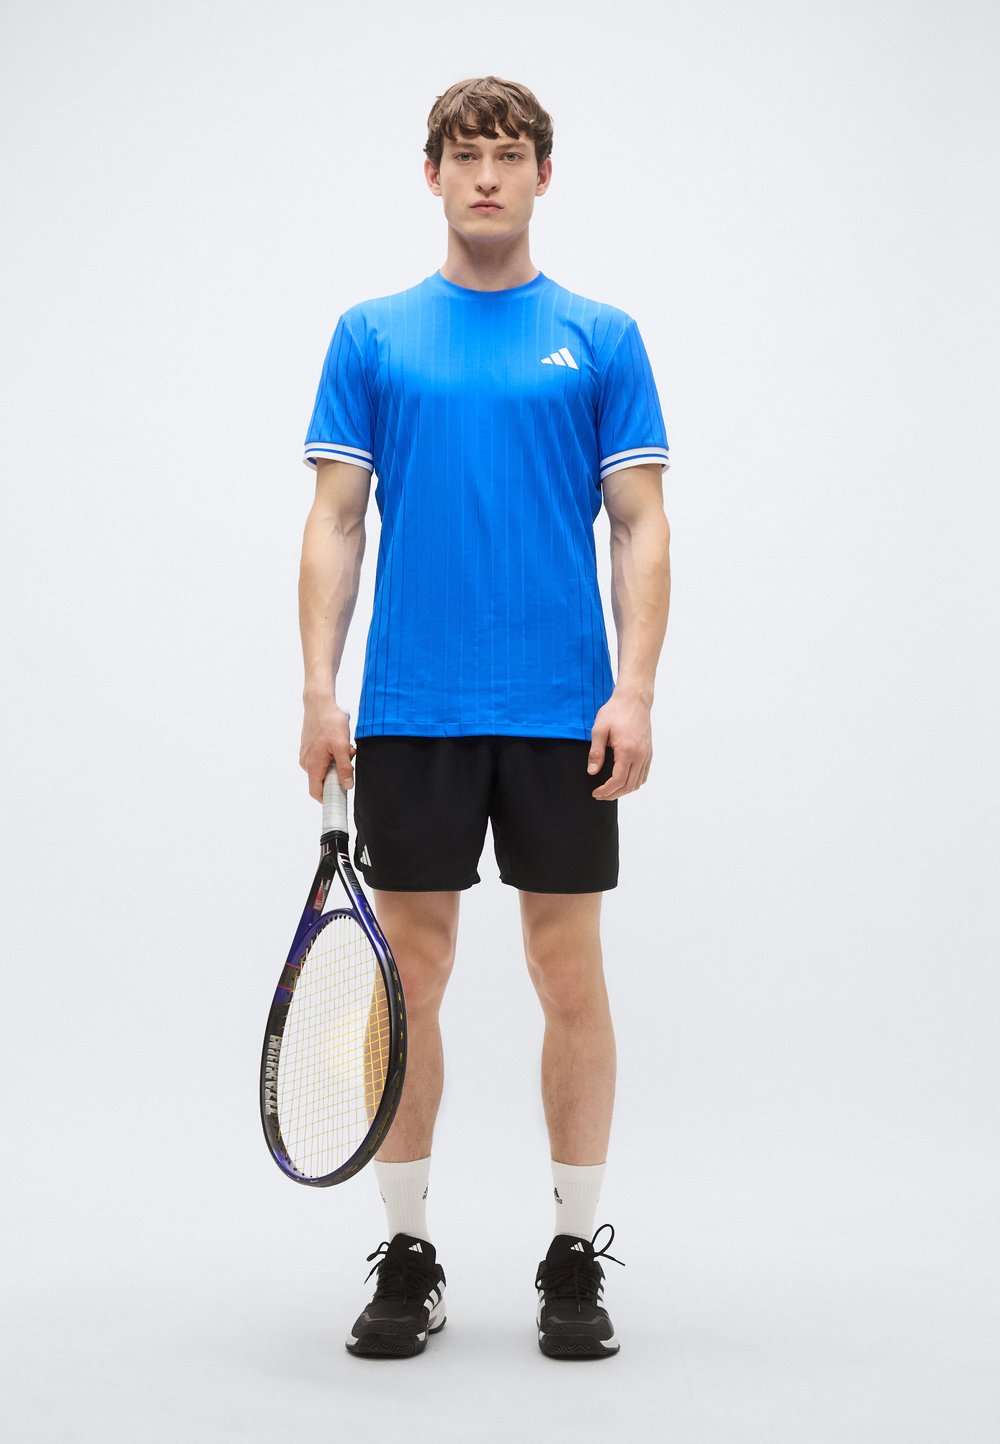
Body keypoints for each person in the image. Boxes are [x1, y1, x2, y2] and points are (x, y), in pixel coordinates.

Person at [297, 75, 672, 1360]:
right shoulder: (372, 335)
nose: (488, 177)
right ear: (433, 175)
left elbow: (639, 526)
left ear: (542, 176)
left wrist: (634, 687)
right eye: (466, 156)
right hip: (415, 712)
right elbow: (336, 520)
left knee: (567, 973)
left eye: (510, 155)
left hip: (564, 714)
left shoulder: (601, 337)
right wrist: (319, 689)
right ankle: (408, 1251)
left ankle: (572, 1248)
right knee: (410, 977)